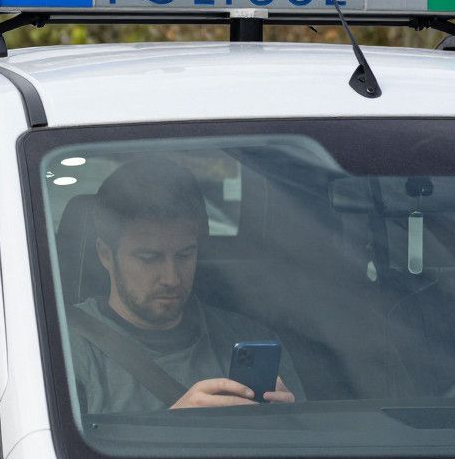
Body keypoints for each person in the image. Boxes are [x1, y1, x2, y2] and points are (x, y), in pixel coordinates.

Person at [69, 157, 302, 413]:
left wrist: (289, 424)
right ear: (105, 254)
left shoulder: (250, 339)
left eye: (184, 255)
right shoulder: (66, 352)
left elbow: (309, 445)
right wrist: (176, 428)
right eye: (149, 258)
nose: (171, 277)